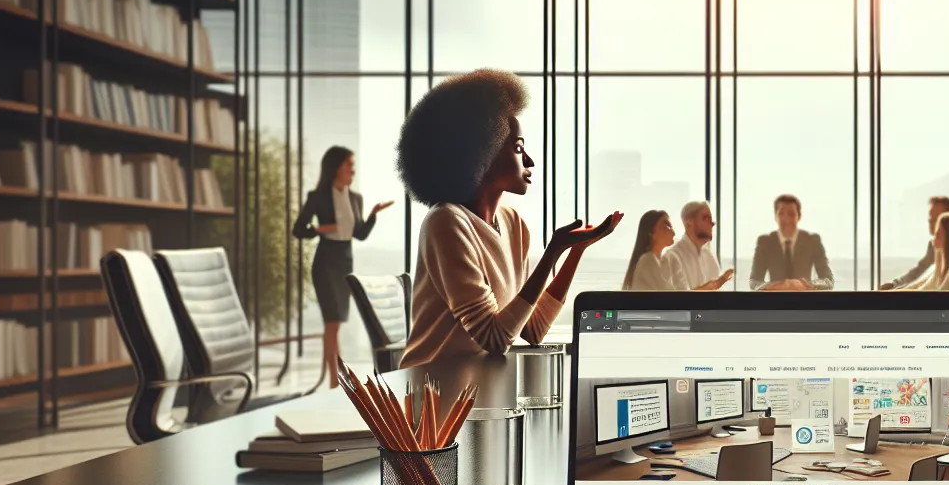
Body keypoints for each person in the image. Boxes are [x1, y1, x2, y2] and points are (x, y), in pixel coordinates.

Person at [397, 69, 621, 368]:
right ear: (481, 154)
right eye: (518, 148)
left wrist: (574, 251)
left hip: (481, 392)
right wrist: (553, 250)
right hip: (433, 395)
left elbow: (533, 329)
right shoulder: (446, 223)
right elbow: (495, 339)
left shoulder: (514, 223)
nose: (529, 160)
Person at [291, 145, 394, 388]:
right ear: (336, 167)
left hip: (345, 261)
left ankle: (336, 380)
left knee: (336, 323)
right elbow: (298, 230)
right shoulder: (317, 197)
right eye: (349, 165)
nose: (353, 170)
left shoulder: (355, 198)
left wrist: (373, 215)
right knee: (332, 322)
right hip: (325, 260)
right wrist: (319, 229)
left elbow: (359, 235)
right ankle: (334, 381)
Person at [622, 210, 733, 290]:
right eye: (666, 224)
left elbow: (681, 296)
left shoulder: (666, 261)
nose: (672, 229)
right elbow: (673, 299)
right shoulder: (647, 260)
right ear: (651, 232)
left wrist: (711, 286)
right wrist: (709, 287)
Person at [748, 193, 833, 291]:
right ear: (775, 216)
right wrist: (776, 285)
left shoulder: (812, 240)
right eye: (781, 214)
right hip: (775, 303)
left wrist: (808, 285)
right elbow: (754, 281)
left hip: (805, 302)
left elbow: (828, 280)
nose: (786, 219)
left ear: (799, 216)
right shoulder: (765, 242)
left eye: (791, 214)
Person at [880, 195, 949, 289]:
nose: (931, 222)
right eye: (931, 218)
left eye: (936, 219)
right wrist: (895, 284)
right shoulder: (934, 245)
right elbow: (920, 270)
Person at [665, 199, 734, 290]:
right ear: (688, 223)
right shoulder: (672, 257)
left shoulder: (709, 256)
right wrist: (715, 284)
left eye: (711, 219)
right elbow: (678, 301)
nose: (712, 223)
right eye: (706, 218)